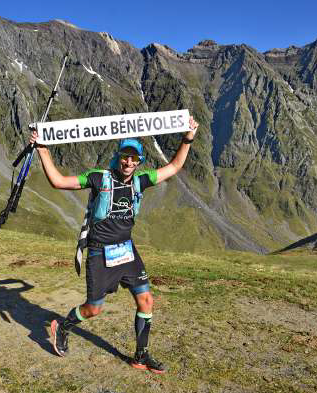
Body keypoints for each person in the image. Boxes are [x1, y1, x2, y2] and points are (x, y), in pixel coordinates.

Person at [29, 115, 199, 374]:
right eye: (125, 156)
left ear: (140, 160)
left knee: (146, 301)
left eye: (134, 158)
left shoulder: (142, 181)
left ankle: (140, 356)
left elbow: (174, 167)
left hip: (126, 250)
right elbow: (59, 182)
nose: (129, 162)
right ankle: (63, 326)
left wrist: (187, 139)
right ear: (118, 156)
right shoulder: (99, 178)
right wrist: (42, 149)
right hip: (100, 252)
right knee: (93, 309)